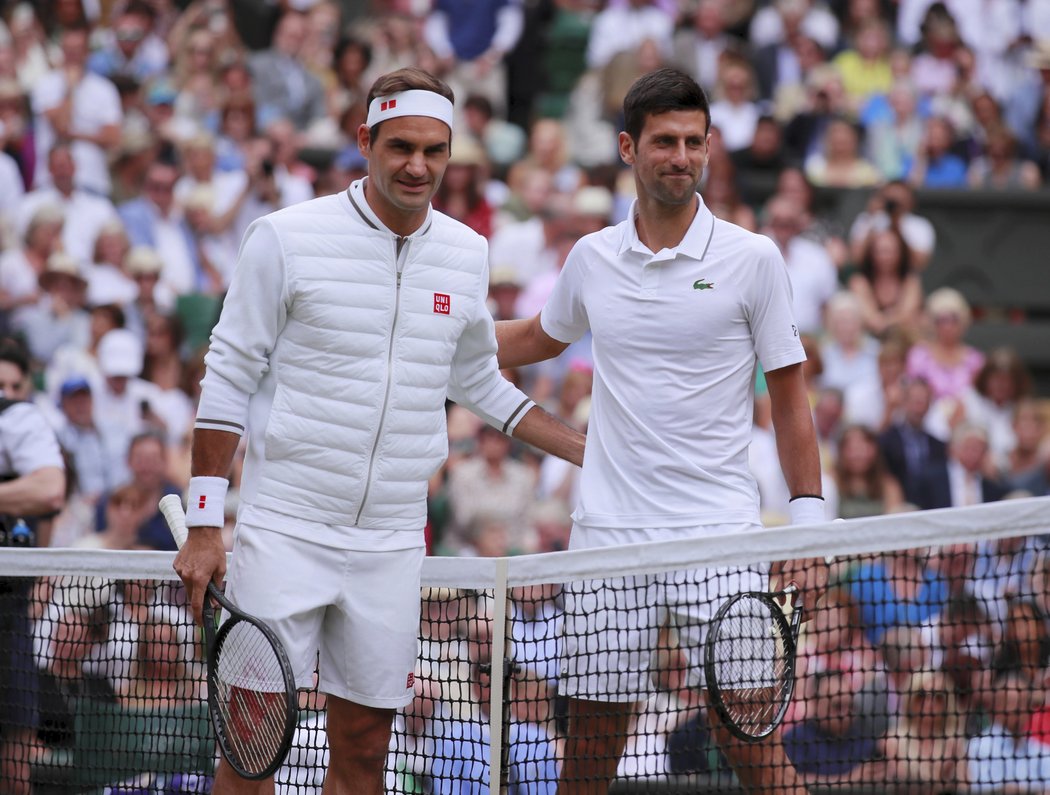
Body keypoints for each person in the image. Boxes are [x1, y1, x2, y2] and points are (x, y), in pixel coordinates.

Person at [172, 67, 585, 795]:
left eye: (434, 150)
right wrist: (206, 522)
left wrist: (592, 453)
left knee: (365, 750)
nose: (417, 165)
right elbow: (228, 376)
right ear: (365, 140)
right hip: (285, 529)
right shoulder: (283, 237)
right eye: (400, 146)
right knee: (250, 748)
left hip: (392, 540)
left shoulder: (467, 251)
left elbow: (477, 378)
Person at [496, 67, 826, 795]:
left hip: (721, 530)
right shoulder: (591, 258)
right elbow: (533, 340)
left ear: (708, 149)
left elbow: (792, 399)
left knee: (748, 736)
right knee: (590, 743)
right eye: (665, 141)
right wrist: (429, 333)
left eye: (693, 141)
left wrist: (810, 527)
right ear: (627, 147)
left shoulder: (754, 259)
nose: (681, 155)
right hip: (610, 531)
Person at [0, 337, 66, 795]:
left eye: (11, 385)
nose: (4, 392)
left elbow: (50, 490)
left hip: (7, 611)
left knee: (15, 763)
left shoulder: (21, 422)